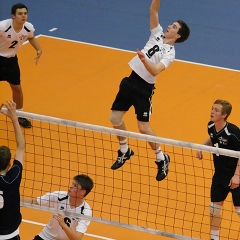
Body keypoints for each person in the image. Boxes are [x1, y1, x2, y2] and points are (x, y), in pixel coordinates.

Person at [109, 0, 190, 181]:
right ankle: (125, 150)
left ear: (178, 35)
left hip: (144, 89)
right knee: (114, 118)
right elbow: (153, 9)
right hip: (130, 81)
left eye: (174, 26)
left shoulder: (170, 54)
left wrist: (143, 59)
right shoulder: (157, 34)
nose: (169, 26)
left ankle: (161, 158)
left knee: (143, 128)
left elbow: (155, 71)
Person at [196, 99, 240, 240]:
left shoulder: (233, 132)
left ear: (224, 115)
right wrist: (202, 146)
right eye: (212, 108)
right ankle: (214, 238)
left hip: (236, 177)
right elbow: (213, 137)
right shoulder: (211, 126)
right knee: (214, 210)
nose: (212, 112)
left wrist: (237, 176)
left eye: (216, 110)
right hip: (219, 177)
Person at [0, 3, 42, 128]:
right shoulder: (3, 26)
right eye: (20, 14)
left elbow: (31, 38)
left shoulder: (28, 27)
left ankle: (20, 115)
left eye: (25, 13)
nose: (23, 16)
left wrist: (39, 49)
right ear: (13, 16)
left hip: (11, 61)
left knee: (17, 88)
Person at [23, 174, 94, 240]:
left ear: (83, 192)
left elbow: (77, 238)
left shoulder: (85, 212)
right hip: (46, 237)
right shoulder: (58, 196)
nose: (71, 187)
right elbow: (35, 201)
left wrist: (63, 224)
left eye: (75, 186)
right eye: (72, 184)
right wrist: (14, 201)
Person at [0, 100, 25, 239]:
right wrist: (14, 118)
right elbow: (21, 147)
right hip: (10, 235)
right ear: (9, 164)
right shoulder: (13, 178)